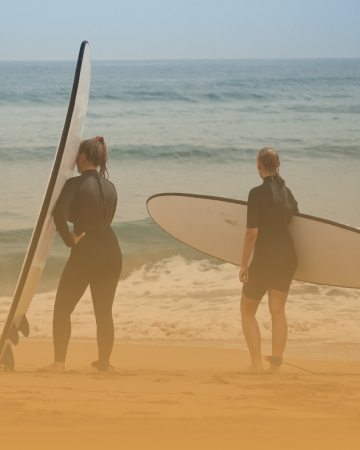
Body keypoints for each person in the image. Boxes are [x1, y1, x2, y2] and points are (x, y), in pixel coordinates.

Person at [41, 136, 122, 375]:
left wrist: (70, 240)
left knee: (62, 308)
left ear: (83, 157)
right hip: (112, 251)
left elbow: (57, 214)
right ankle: (104, 364)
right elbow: (102, 220)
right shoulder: (111, 187)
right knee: (104, 312)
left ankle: (59, 363)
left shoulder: (74, 184)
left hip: (87, 251)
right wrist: (75, 218)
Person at [239, 147, 298, 375]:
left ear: (258, 166)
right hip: (288, 257)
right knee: (278, 311)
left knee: (246, 311)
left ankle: (256, 365)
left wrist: (244, 264)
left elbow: (251, 234)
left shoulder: (256, 193)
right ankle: (275, 367)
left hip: (265, 259)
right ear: (279, 164)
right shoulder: (287, 191)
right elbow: (295, 217)